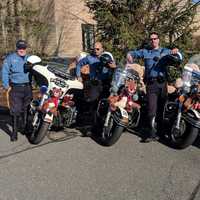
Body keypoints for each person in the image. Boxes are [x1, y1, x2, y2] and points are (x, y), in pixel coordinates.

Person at [127, 32, 181, 142]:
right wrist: (129, 55)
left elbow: (179, 57)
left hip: (162, 83)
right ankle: (151, 133)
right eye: (151, 39)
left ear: (158, 39)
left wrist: (176, 52)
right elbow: (133, 53)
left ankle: (161, 133)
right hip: (151, 84)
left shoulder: (165, 51)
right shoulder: (145, 51)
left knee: (162, 108)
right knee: (152, 109)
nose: (153, 41)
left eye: (155, 38)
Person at [1, 39, 32, 141]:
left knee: (27, 108)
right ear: (17, 48)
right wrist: (6, 86)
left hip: (28, 87)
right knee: (15, 110)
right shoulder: (10, 58)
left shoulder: (30, 58)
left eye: (23, 48)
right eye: (20, 48)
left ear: (26, 48)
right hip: (15, 87)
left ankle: (24, 127)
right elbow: (4, 72)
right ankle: (14, 133)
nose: (21, 50)